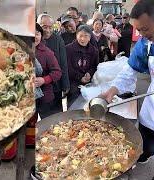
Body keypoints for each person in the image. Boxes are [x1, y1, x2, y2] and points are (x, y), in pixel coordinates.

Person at [100, 0, 154, 162]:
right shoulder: (146, 43)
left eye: (145, 29)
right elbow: (130, 70)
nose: (142, 34)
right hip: (152, 109)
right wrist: (112, 91)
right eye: (139, 30)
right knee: (144, 144)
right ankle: (143, 157)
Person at [37, 14, 70, 112]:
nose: (47, 30)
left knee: (56, 115)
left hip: (55, 84)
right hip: (37, 88)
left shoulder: (58, 39)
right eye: (44, 27)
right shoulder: (34, 40)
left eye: (50, 27)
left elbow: (63, 63)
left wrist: (65, 85)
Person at [66, 25, 99, 104]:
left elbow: (95, 66)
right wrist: (80, 77)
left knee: (87, 107)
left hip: (88, 83)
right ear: (76, 35)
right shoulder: (68, 49)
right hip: (73, 83)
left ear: (90, 37)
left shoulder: (94, 51)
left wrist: (89, 73)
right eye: (80, 36)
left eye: (86, 36)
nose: (83, 39)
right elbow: (67, 67)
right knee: (73, 107)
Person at [35, 23, 62, 119]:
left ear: (41, 36)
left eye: (37, 34)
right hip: (26, 99)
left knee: (47, 123)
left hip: (44, 96)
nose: (34, 37)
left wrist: (43, 80)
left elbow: (57, 72)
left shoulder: (47, 53)